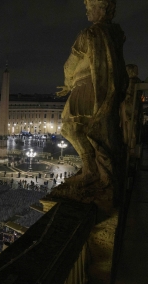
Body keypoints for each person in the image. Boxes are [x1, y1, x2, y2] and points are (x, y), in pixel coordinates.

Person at [56, 0, 127, 200]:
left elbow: (69, 65)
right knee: (90, 130)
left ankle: (90, 170)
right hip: (102, 89)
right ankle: (97, 170)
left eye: (89, 9)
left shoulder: (89, 34)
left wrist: (68, 83)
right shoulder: (115, 34)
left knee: (70, 127)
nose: (87, 14)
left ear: (101, 9)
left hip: (86, 87)